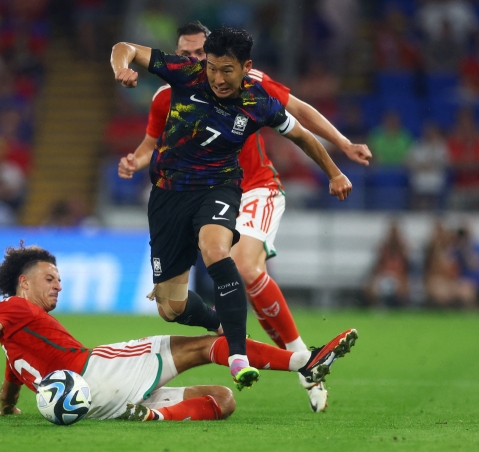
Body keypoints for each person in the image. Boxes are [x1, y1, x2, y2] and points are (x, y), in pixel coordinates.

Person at [117, 22, 370, 410]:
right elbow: (152, 142)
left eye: (200, 55)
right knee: (171, 307)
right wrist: (137, 159)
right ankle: (294, 357)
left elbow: (299, 117)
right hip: (173, 194)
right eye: (188, 56)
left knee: (238, 263)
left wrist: (342, 149)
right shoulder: (173, 89)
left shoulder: (256, 88)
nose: (198, 64)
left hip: (251, 186)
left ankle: (263, 353)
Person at [0, 243, 359, 421]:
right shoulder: (12, 307)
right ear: (24, 282)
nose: (57, 285)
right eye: (50, 278)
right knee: (207, 345)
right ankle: (304, 360)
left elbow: (9, 379)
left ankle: (154, 416)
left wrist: (7, 410)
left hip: (97, 405)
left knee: (223, 399)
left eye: (60, 280)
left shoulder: (15, 338)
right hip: (97, 371)